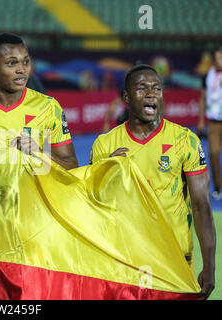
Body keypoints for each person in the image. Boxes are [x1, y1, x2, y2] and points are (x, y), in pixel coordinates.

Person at [90, 64, 216, 299]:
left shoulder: (185, 141)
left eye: (157, 88)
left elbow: (201, 206)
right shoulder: (104, 145)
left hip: (174, 261)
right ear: (126, 97)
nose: (151, 94)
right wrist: (104, 171)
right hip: (125, 262)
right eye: (142, 88)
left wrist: (209, 265)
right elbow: (91, 205)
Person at [0, 33, 78, 170]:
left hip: (30, 191)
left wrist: (40, 154)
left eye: (25, 62)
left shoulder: (49, 107)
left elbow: (71, 166)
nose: (21, 69)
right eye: (12, 63)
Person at [197, 47, 222, 200]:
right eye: (218, 57)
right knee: (213, 153)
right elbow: (202, 98)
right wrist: (201, 120)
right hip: (214, 122)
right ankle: (218, 187)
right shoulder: (208, 75)